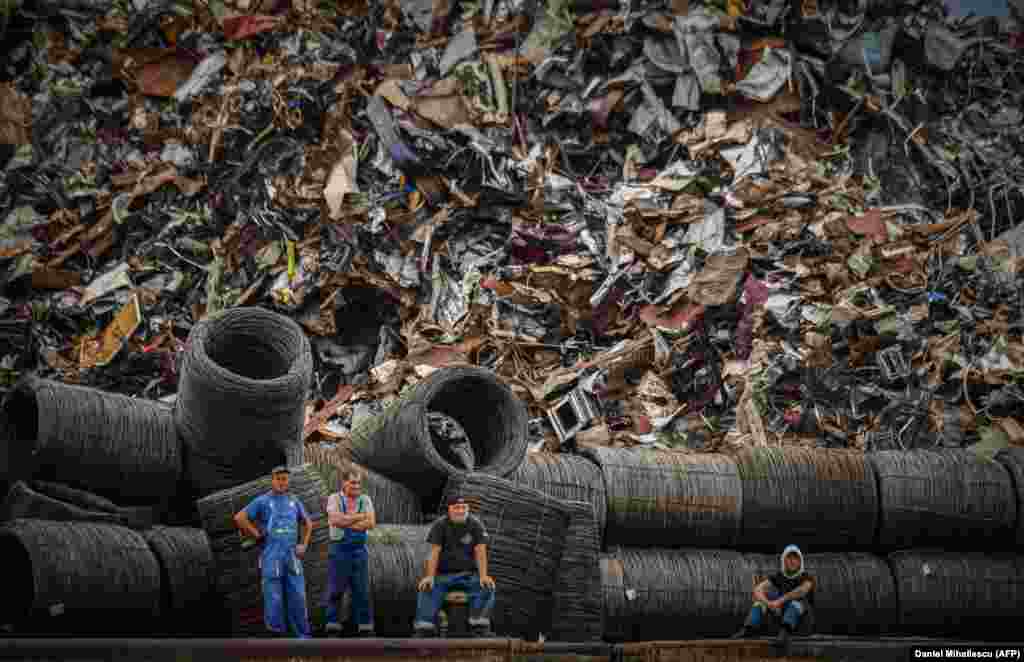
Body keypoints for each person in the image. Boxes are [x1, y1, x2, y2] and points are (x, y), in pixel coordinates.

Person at [233, 466, 313, 639]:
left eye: (285, 478)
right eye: (278, 478)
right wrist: (256, 535)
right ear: (272, 480)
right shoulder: (262, 501)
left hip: (292, 556)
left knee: (298, 597)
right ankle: (277, 642)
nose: (282, 482)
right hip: (271, 556)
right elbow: (240, 518)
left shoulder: (294, 500)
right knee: (273, 600)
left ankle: (303, 639)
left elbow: (308, 523)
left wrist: (303, 545)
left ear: (288, 480)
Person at [413, 494, 496, 638]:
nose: (460, 510)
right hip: (443, 575)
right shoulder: (440, 525)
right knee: (426, 588)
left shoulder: (475, 524)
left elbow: (480, 551)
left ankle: (478, 625)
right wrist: (430, 577)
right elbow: (434, 552)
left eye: (463, 507)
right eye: (456, 507)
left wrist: (483, 576)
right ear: (449, 509)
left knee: (487, 587)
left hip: (468, 575)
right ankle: (424, 627)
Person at [324, 470, 376, 637]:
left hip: (359, 551)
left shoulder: (365, 499)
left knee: (362, 590)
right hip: (339, 550)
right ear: (344, 483)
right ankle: (332, 624)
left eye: (358, 483)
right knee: (336, 589)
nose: (356, 486)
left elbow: (371, 523)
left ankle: (365, 627)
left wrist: (346, 521)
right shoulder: (334, 499)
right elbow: (334, 520)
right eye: (353, 483)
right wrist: (360, 517)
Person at [733, 544, 815, 649]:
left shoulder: (807, 578)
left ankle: (784, 634)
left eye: (795, 558)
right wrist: (769, 603)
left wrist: (779, 601)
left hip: (803, 626)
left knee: (797, 603)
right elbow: (757, 589)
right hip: (783, 621)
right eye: (789, 558)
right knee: (761, 601)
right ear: (784, 560)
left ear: (800, 561)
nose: (792, 561)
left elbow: (801, 591)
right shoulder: (779, 577)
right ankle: (748, 629)